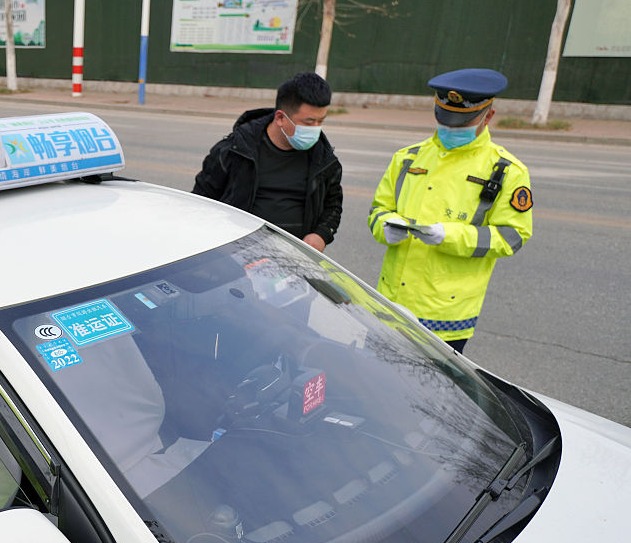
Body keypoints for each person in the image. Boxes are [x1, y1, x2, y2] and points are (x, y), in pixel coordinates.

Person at [367, 68, 533, 353]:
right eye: (445, 122)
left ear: (488, 117)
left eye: (461, 124)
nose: (451, 130)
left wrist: (450, 236)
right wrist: (384, 226)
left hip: (446, 316)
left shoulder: (506, 171)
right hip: (391, 303)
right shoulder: (408, 158)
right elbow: (379, 209)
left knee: (429, 397)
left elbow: (513, 236)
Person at [192, 72, 343, 252]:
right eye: (308, 122)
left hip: (294, 259)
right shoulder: (234, 152)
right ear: (280, 118)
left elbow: (333, 206)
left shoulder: (324, 160)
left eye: (321, 121)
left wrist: (321, 234)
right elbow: (200, 203)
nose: (315, 129)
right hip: (237, 256)